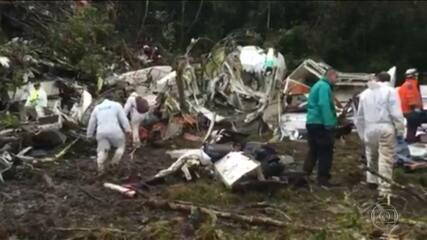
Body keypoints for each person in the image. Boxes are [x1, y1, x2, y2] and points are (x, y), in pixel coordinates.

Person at [355, 72, 405, 199]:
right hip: (385, 126)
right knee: (385, 158)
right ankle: (384, 188)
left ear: (377, 79)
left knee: (371, 155)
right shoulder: (390, 91)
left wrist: (362, 133)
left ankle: (371, 180)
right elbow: (396, 112)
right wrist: (400, 129)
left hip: (369, 127)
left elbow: (359, 116)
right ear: (389, 80)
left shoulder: (365, 93)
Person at [303, 68, 338, 187]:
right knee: (325, 151)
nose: (336, 81)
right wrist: (329, 123)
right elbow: (324, 105)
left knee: (314, 150)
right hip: (320, 123)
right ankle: (323, 179)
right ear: (331, 76)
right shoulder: (324, 86)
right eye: (336, 78)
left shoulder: (316, 85)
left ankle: (305, 174)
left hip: (311, 121)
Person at [87, 96, 131, 174]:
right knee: (120, 146)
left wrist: (89, 135)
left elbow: (92, 122)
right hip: (114, 130)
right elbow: (123, 119)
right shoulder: (117, 105)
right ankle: (114, 163)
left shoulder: (97, 108)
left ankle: (100, 168)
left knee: (102, 149)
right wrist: (128, 130)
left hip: (101, 132)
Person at [397, 68, 426, 142]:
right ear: (415, 76)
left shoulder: (404, 85)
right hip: (410, 112)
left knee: (412, 127)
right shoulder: (411, 85)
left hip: (405, 112)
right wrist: (418, 110)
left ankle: (410, 139)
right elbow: (412, 101)